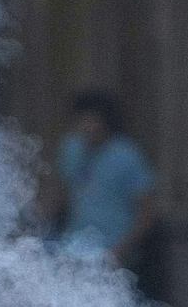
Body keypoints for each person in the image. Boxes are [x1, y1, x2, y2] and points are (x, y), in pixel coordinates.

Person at [56, 90, 156, 264]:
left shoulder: (127, 155)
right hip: (73, 246)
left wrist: (122, 249)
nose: (86, 126)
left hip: (113, 249)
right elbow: (59, 194)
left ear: (106, 121)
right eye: (81, 120)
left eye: (91, 119)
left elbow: (147, 211)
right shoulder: (71, 148)